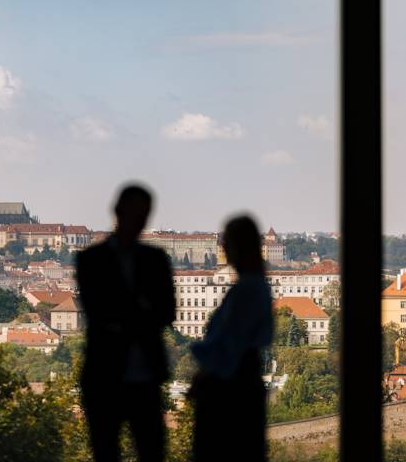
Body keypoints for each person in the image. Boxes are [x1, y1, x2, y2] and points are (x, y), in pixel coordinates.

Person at [76, 185, 175, 462]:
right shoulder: (90, 260)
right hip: (103, 375)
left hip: (146, 374)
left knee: (152, 451)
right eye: (134, 214)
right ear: (117, 212)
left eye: (143, 216)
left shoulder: (155, 260)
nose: (138, 221)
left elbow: (167, 312)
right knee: (106, 452)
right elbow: (97, 312)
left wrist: (122, 312)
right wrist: (142, 309)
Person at [189, 215, 274, 461]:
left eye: (227, 242)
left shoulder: (247, 289)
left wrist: (203, 376)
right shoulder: (256, 286)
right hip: (242, 385)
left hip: (229, 391)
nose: (223, 247)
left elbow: (229, 344)